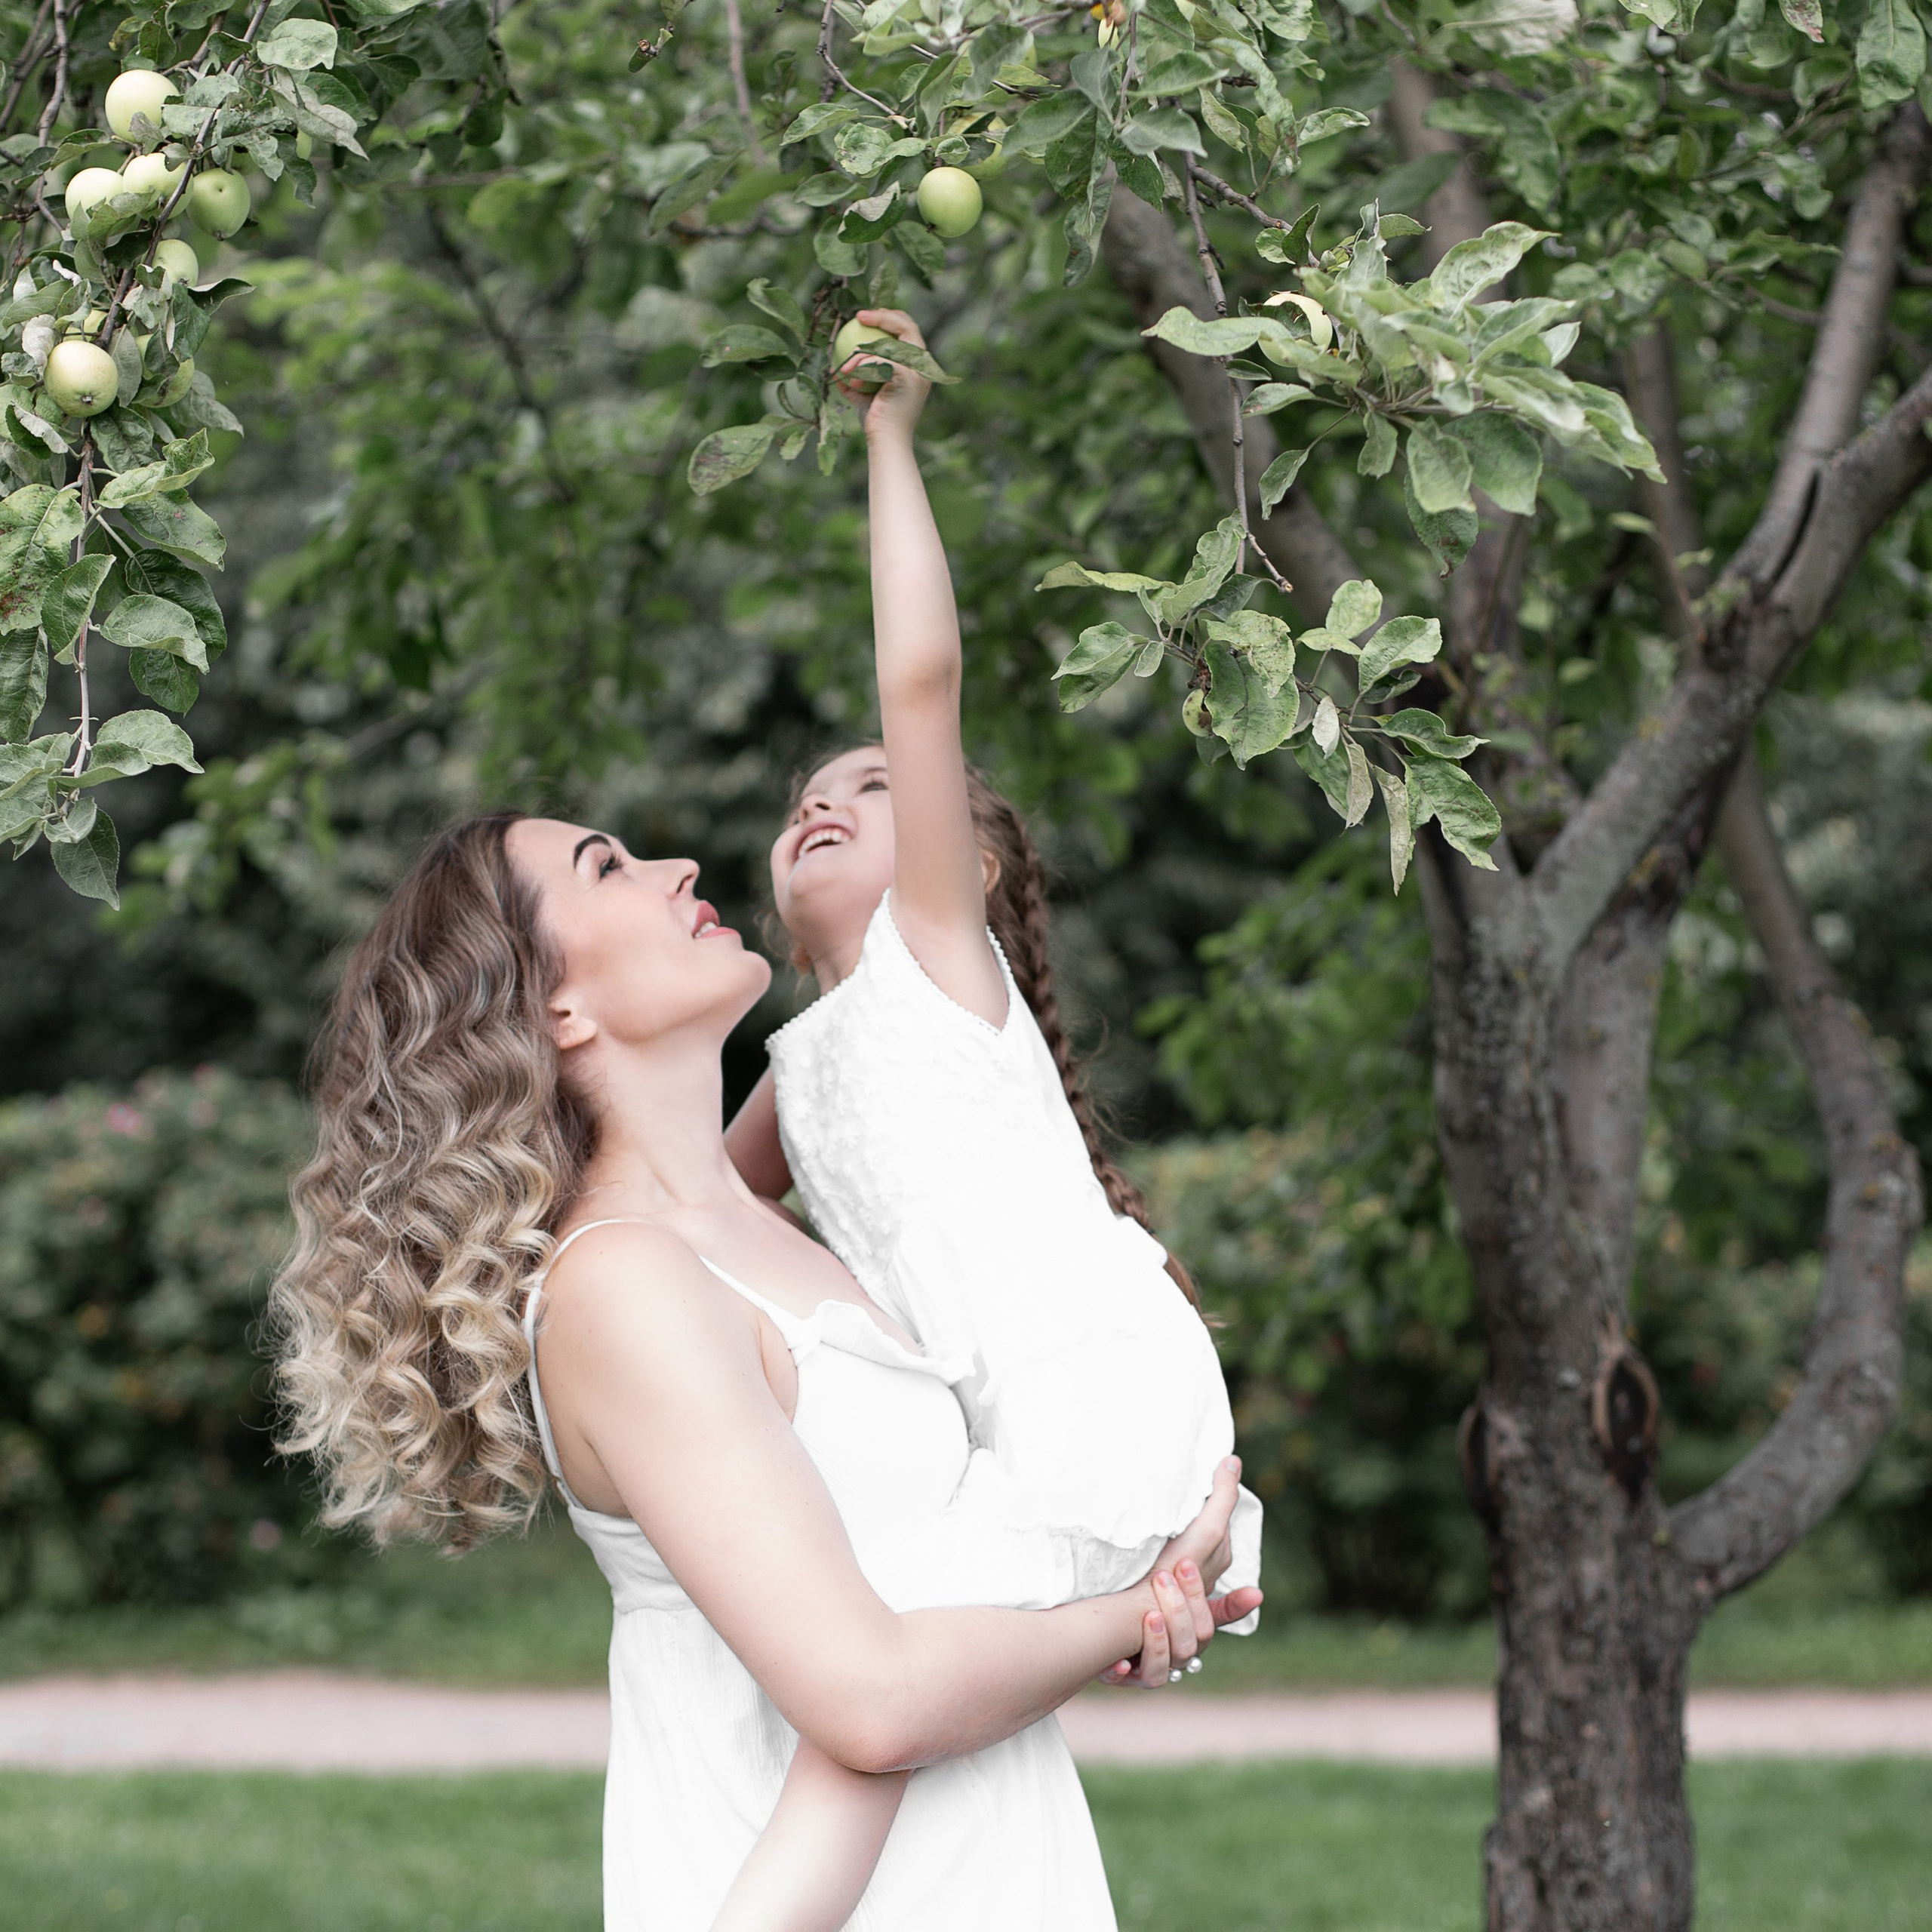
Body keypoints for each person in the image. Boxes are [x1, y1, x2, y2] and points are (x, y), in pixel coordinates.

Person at [269, 804, 1262, 1932]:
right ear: (555, 1004)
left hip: (976, 1860)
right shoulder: (623, 1287)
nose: (676, 866)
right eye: (609, 868)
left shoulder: (769, 1232)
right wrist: (1139, 1606)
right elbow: (872, 1701)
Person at [715, 311, 1263, 1932]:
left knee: (864, 1683)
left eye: (875, 787)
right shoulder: (800, 1067)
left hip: (1083, 1385)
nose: (825, 795)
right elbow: (687, 1212)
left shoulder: (929, 963)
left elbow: (919, 672)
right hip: (1036, 1417)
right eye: (808, 788)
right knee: (870, 1691)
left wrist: (888, 433)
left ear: (971, 873)